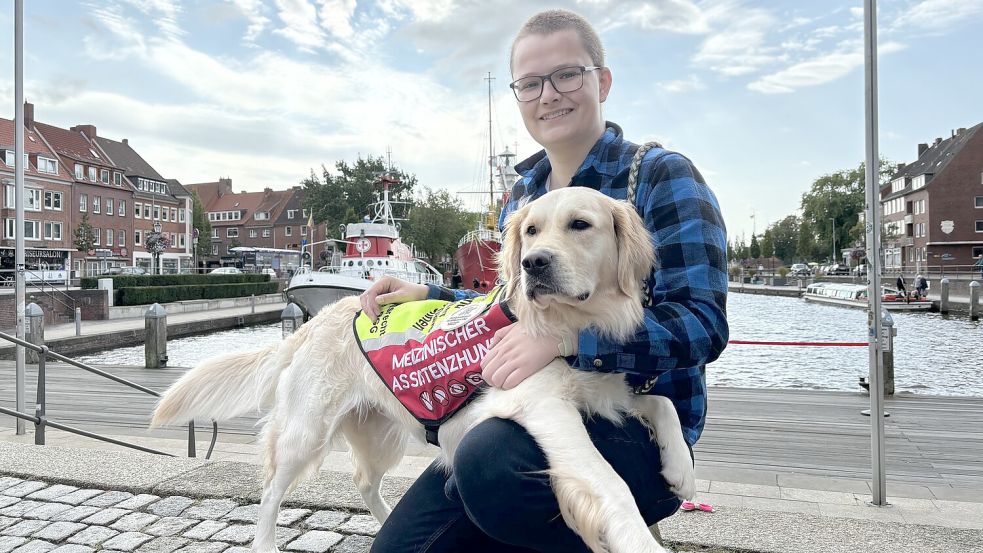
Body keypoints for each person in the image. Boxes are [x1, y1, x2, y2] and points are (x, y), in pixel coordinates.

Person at [361, 9, 728, 553]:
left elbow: (702, 326)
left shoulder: (660, 177)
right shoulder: (523, 195)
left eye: (566, 75)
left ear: (601, 81)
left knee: (490, 467)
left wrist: (567, 339)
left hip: (635, 423)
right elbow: (504, 302)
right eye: (530, 83)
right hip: (534, 407)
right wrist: (432, 296)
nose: (548, 94)